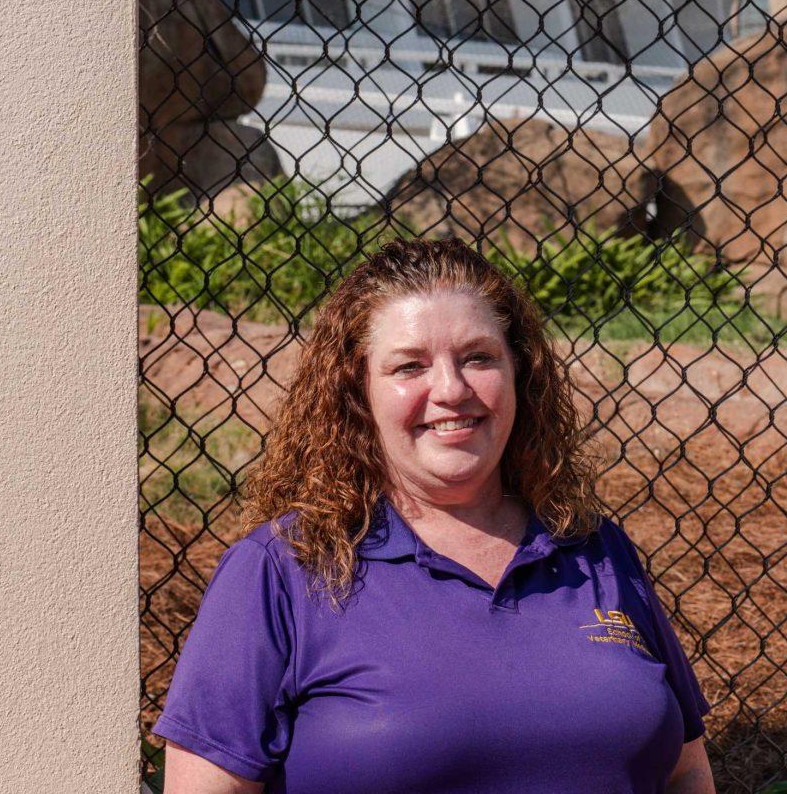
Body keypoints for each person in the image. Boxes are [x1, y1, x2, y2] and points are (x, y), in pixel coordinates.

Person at [152, 237, 716, 794]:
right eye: (409, 366)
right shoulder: (285, 568)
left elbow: (686, 771)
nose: (450, 389)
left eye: (478, 358)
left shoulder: (594, 550)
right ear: (357, 391)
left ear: (519, 372)